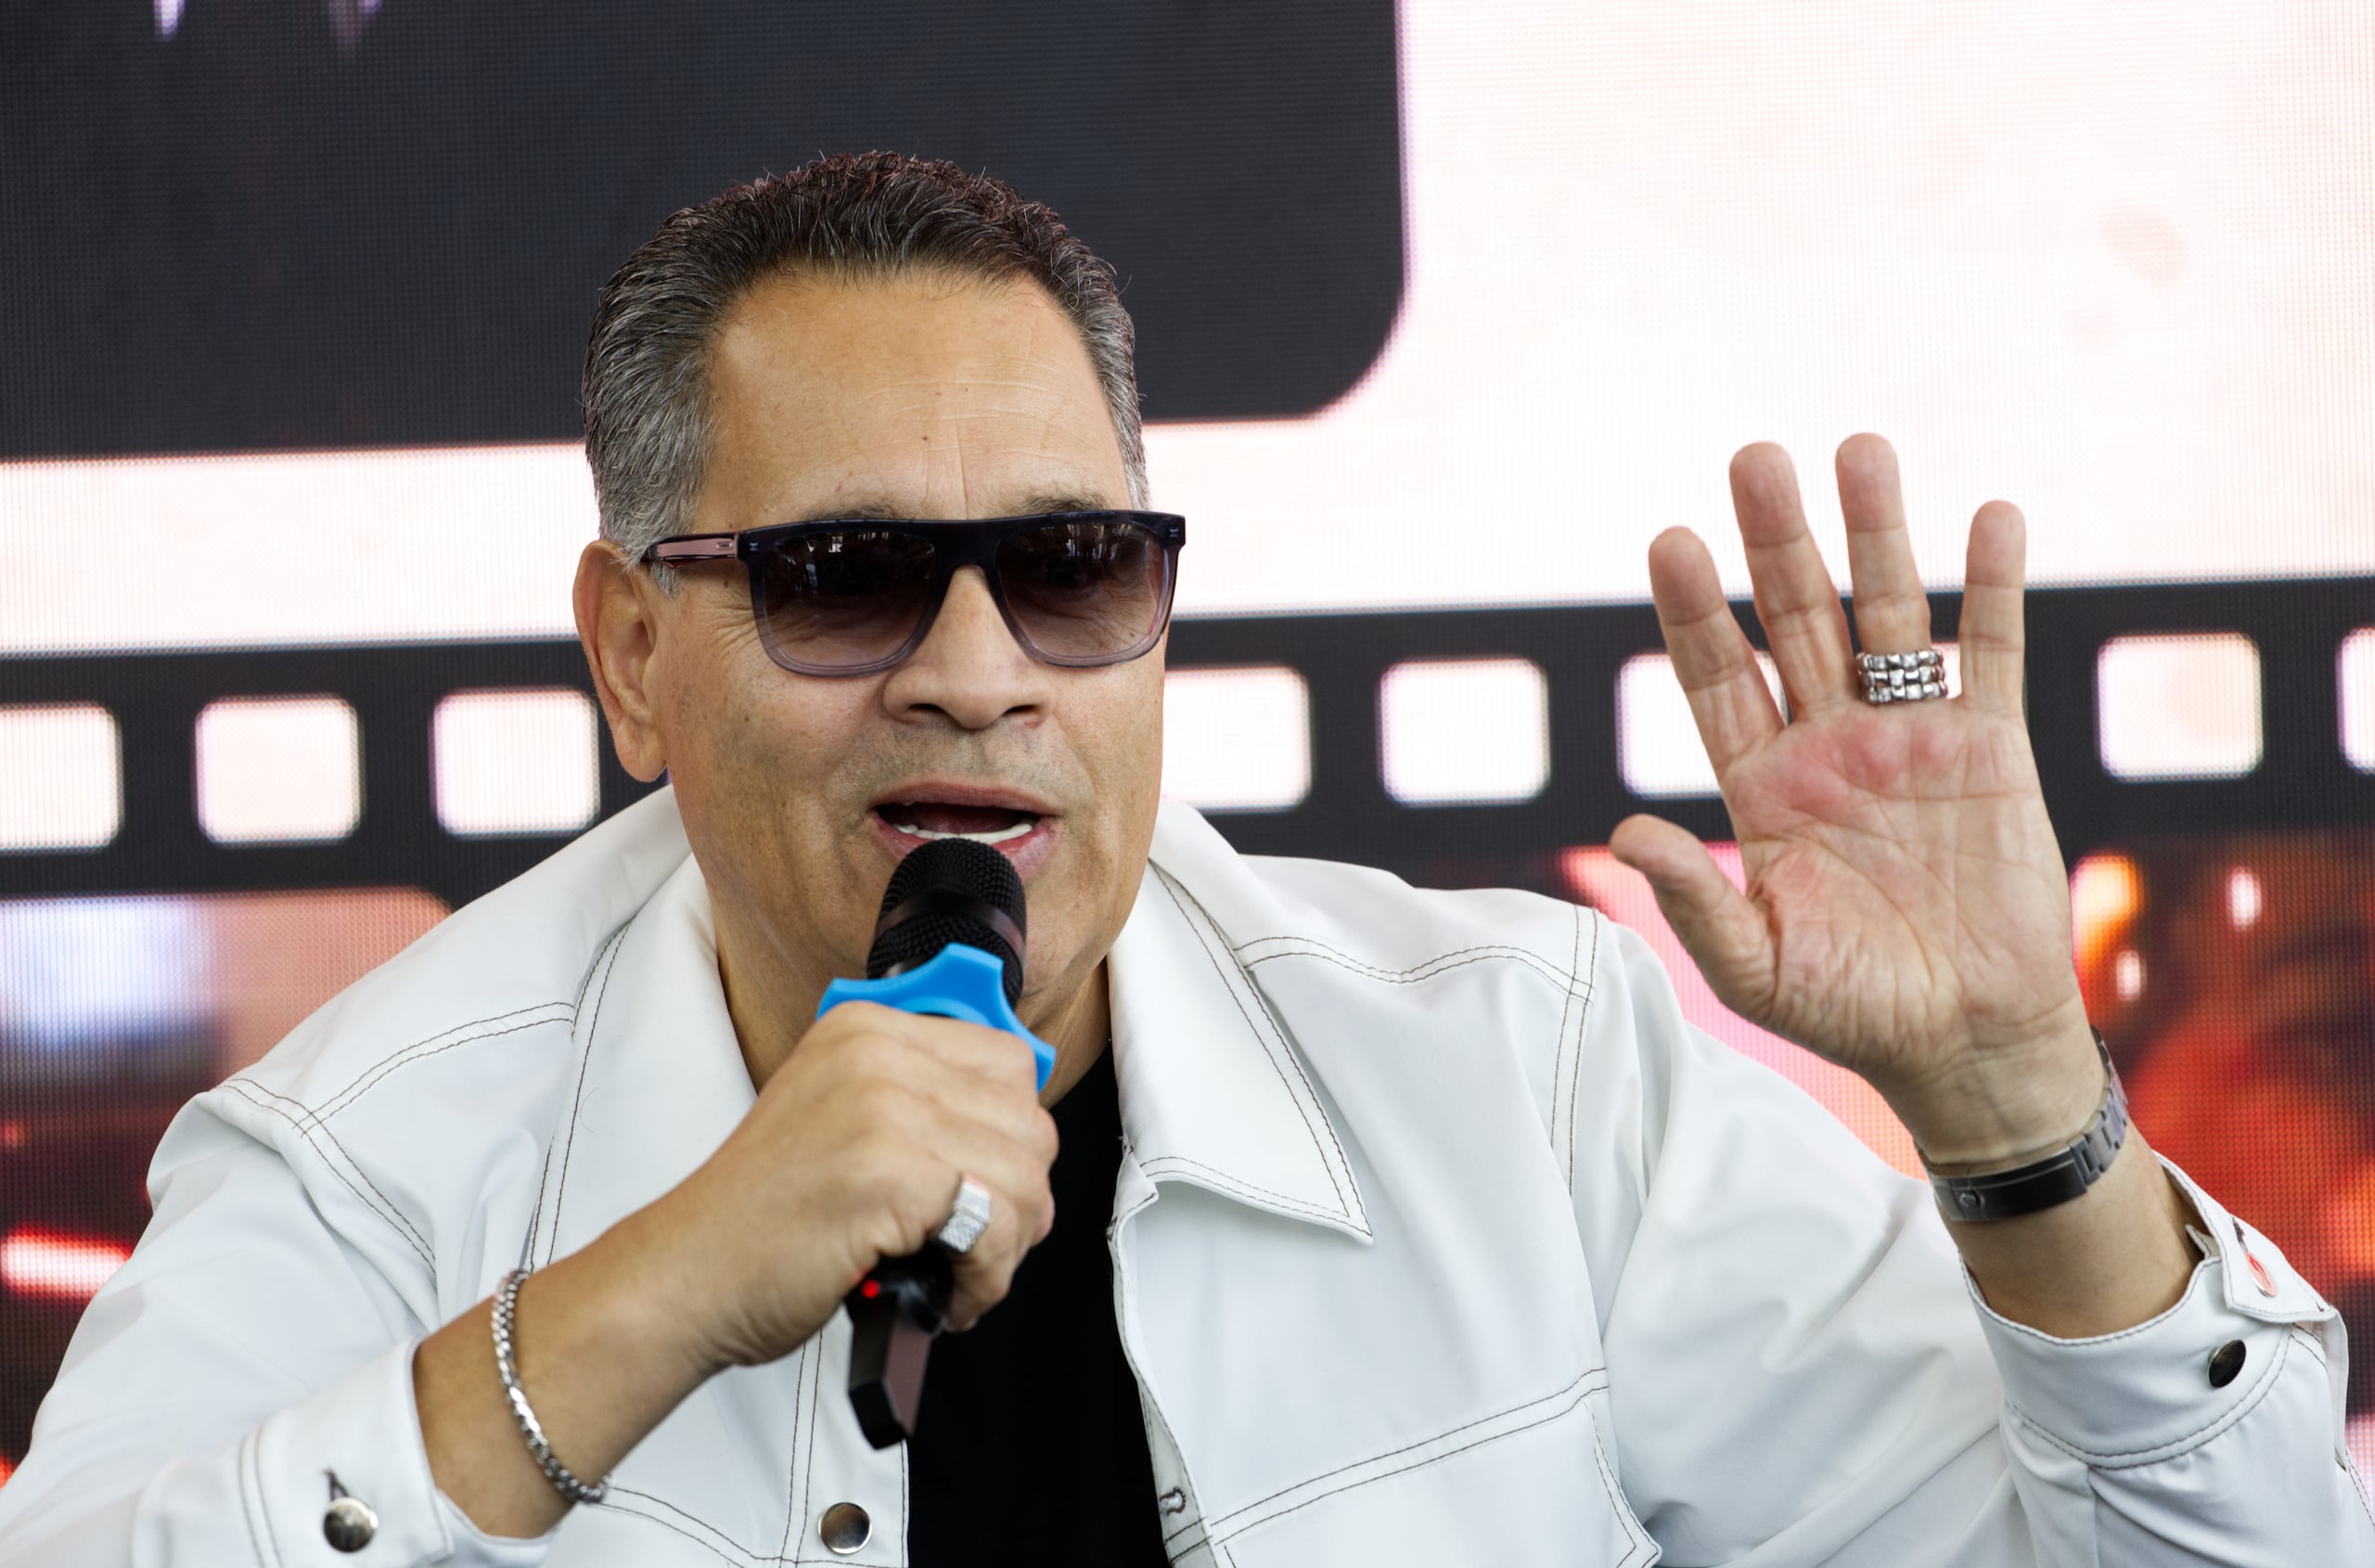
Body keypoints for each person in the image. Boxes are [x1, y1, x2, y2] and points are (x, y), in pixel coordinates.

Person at [0, 152, 2362, 1566]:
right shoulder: (361, 1154)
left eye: (1067, 566)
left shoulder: (1516, 1073)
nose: (971, 666)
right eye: (839, 574)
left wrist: (2020, 1111)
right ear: (632, 649)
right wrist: (649, 1292)